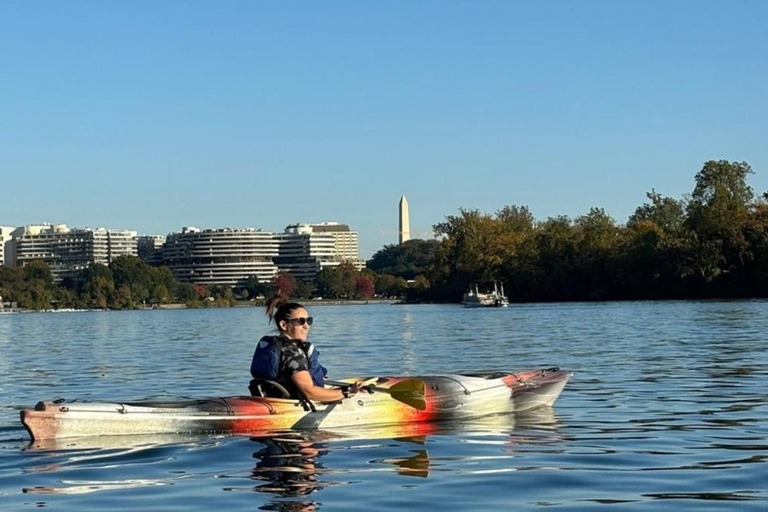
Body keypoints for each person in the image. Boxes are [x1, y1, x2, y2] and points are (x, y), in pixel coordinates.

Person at [250, 295, 360, 402]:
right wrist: (346, 393)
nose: (306, 326)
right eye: (301, 321)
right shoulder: (293, 353)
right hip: (291, 407)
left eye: (309, 321)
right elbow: (309, 392)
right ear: (284, 325)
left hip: (272, 399)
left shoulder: (274, 346)